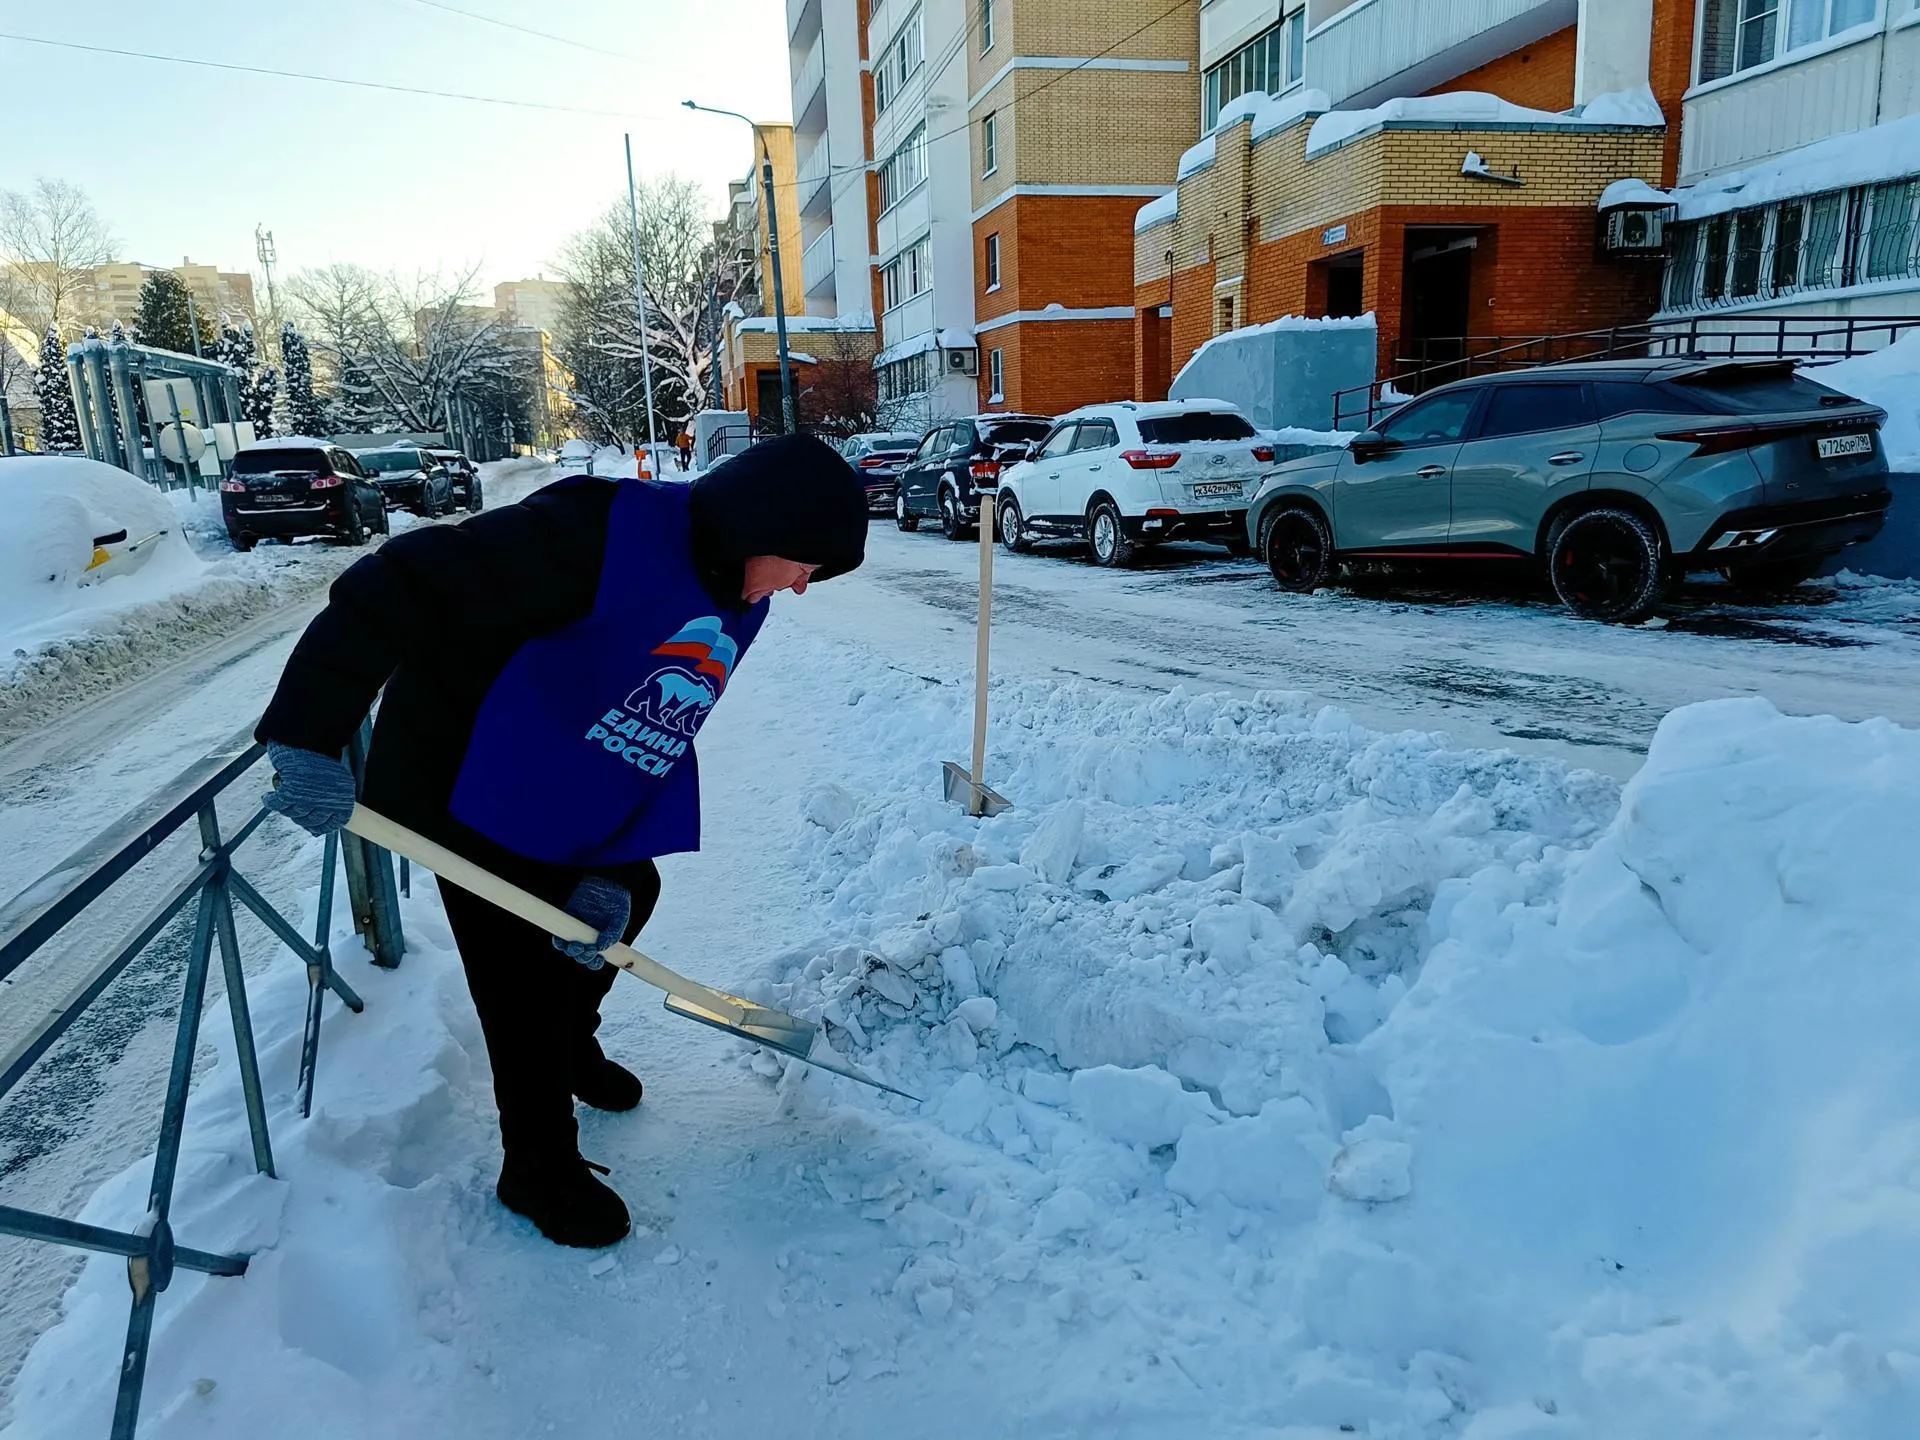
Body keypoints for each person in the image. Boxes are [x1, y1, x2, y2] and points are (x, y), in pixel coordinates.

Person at [255, 434, 867, 1248]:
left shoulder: (731, 593)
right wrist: (307, 729)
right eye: (805, 563)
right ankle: (536, 1167)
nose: (801, 586)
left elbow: (654, 726)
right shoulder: (590, 535)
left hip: (553, 771)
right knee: (521, 977)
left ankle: (571, 1046)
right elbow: (399, 581)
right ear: (763, 523)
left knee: (625, 901)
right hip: (464, 776)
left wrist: (608, 861)